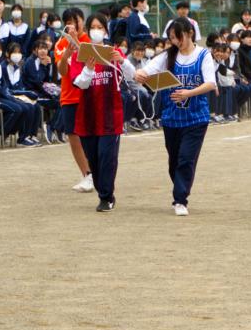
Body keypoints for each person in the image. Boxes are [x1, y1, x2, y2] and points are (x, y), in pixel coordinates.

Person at [135, 19, 217, 215]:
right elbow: (148, 69)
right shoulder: (167, 56)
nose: (175, 42)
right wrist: (140, 74)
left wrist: (188, 93)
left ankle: (180, 199)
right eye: (171, 38)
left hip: (196, 117)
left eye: (178, 37)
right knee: (174, 161)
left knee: (186, 158)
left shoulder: (203, 55)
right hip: (171, 118)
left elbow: (210, 83)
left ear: (190, 33)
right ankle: (180, 189)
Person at [68, 12, 136, 211]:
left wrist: (122, 61)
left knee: (107, 157)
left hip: (110, 115)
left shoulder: (113, 52)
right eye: (93, 28)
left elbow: (132, 76)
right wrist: (89, 69)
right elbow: (79, 83)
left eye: (100, 27)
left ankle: (106, 197)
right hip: (88, 116)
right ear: (87, 31)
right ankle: (102, 189)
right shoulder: (81, 54)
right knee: (94, 158)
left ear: (106, 31)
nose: (96, 31)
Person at [54, 7, 94, 191]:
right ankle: (86, 174)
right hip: (69, 95)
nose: (73, 25)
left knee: (90, 135)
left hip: (88, 94)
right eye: (69, 22)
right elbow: (62, 71)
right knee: (73, 136)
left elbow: (91, 62)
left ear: (82, 21)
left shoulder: (89, 40)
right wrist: (66, 56)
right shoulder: (61, 44)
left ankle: (95, 171)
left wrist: (76, 41)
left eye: (76, 21)